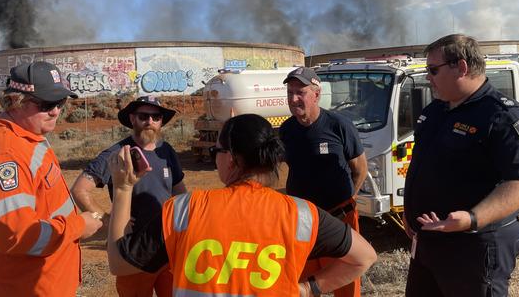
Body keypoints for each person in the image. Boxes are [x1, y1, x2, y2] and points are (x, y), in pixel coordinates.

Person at [106, 114, 377, 296]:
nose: (215, 159)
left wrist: (122, 188)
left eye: (217, 152)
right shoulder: (302, 214)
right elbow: (364, 258)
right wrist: (308, 289)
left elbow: (119, 264)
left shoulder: (184, 210)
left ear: (233, 159)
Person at [403, 34, 519, 297]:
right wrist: (410, 209)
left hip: (473, 247)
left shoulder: (503, 116)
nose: (427, 77)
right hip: (428, 242)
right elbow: (423, 164)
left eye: (433, 69)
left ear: (462, 67)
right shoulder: (436, 111)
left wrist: (471, 218)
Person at [0, 61, 103, 297]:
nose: (56, 111)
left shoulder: (27, 136)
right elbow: (17, 235)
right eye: (47, 104)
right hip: (26, 288)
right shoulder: (6, 153)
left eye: (61, 103)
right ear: (15, 102)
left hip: (45, 283)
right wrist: (79, 226)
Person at [71, 95, 187, 297]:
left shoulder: (166, 151)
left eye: (156, 117)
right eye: (143, 116)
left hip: (167, 246)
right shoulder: (117, 153)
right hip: (132, 250)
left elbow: (179, 192)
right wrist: (107, 219)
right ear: (132, 119)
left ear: (161, 121)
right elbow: (79, 190)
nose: (150, 122)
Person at [279, 67, 368, 297]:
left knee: (345, 282)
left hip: (338, 217)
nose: (293, 98)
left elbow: (359, 168)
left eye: (300, 92)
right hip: (303, 220)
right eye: (290, 92)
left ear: (316, 95)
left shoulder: (338, 125)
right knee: (302, 282)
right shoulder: (287, 130)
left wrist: (350, 200)